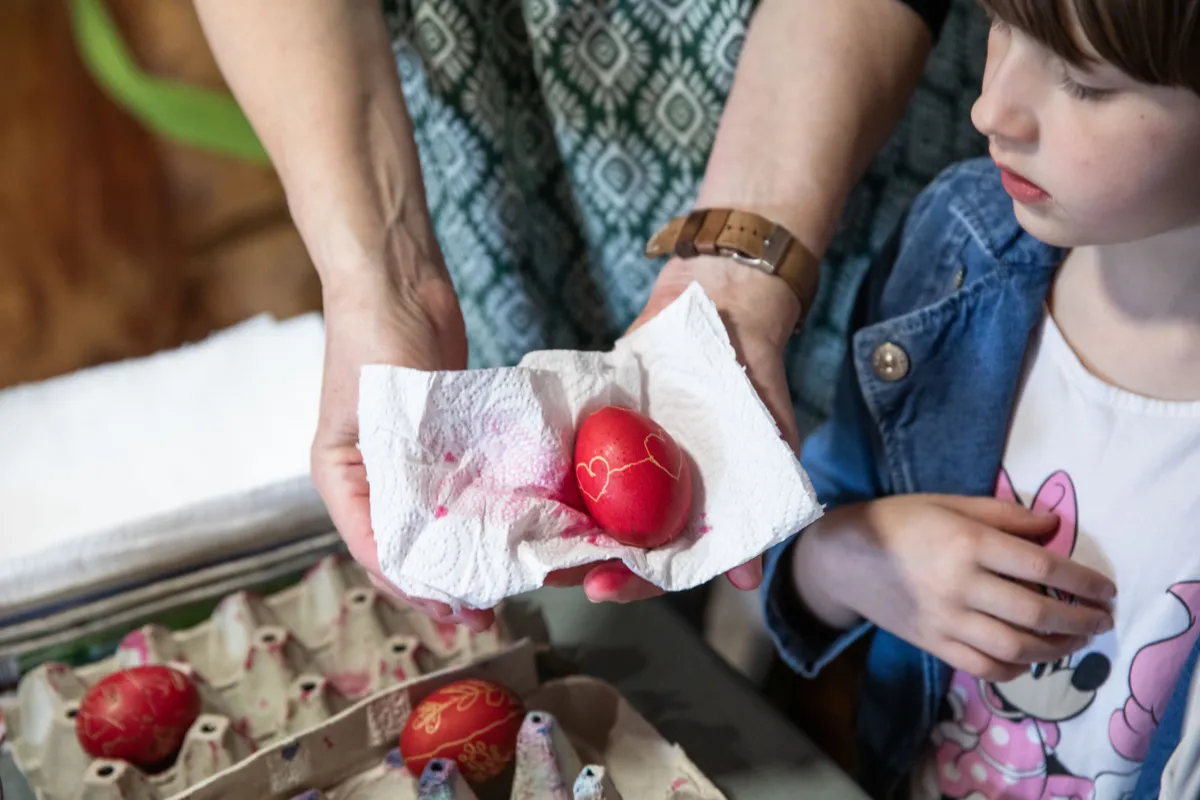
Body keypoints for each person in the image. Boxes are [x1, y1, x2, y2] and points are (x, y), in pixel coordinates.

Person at [192, 0, 967, 630]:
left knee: (827, 483)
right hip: (489, 115)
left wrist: (734, 282)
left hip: (825, 96)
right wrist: (380, 282)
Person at [761, 0, 1200, 797]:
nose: (989, 106)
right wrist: (848, 557)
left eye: (1083, 81)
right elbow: (799, 541)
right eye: (999, 23)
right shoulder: (956, 251)